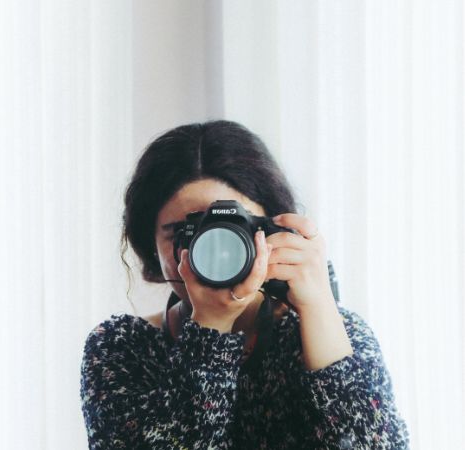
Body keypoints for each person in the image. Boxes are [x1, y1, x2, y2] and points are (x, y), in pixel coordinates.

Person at [79, 120, 410, 449]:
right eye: (185, 232)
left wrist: (319, 307)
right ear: (149, 244)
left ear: (274, 229)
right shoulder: (123, 348)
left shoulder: (333, 332)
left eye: (232, 226)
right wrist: (210, 328)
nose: (214, 248)